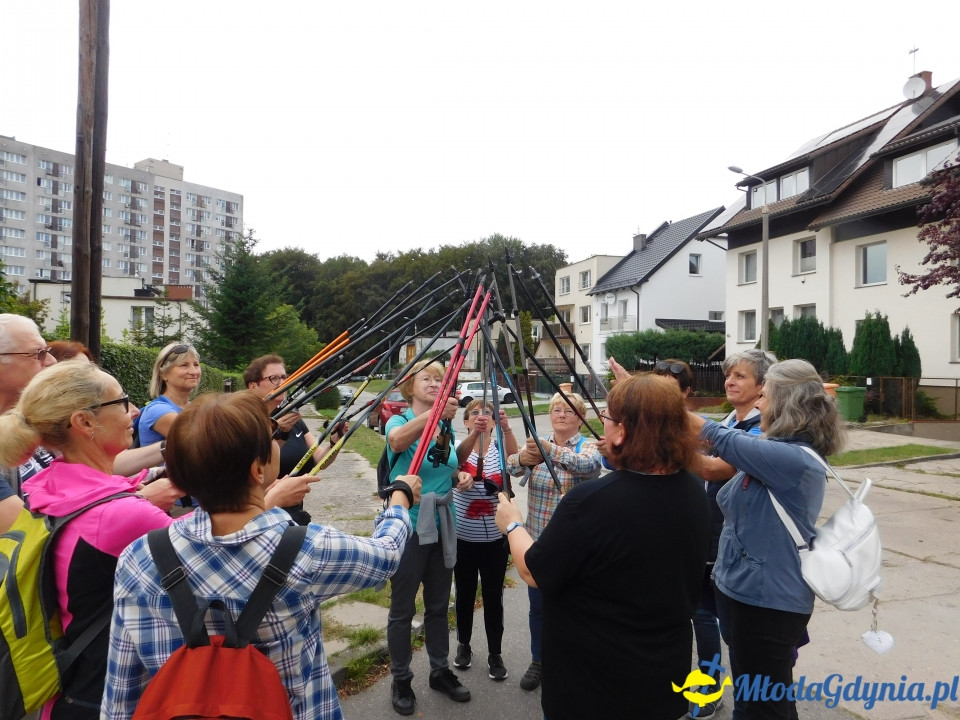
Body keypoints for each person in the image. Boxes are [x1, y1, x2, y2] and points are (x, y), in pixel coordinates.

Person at [100, 390, 419, 720]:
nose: (278, 440)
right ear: (257, 470)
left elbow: (121, 690)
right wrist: (400, 499)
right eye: (272, 438)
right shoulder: (308, 550)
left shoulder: (139, 557)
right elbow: (386, 555)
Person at [496, 374, 710, 720]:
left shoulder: (592, 501)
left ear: (623, 431)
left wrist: (512, 523)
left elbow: (533, 570)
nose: (603, 427)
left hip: (595, 686)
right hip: (662, 676)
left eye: (607, 419)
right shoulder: (691, 490)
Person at [0, 359, 174, 720]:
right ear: (84, 421)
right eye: (122, 401)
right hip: (111, 700)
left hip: (69, 692)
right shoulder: (123, 515)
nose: (135, 410)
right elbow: (221, 557)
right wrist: (267, 499)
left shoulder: (48, 486)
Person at [688, 359, 845, 720]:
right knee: (758, 701)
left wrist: (657, 401)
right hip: (748, 597)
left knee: (761, 708)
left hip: (766, 604)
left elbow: (719, 438)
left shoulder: (788, 458)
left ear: (786, 403)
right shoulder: (776, 451)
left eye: (766, 396)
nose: (758, 404)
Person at [687, 349, 775, 719]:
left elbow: (712, 469)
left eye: (740, 376)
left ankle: (748, 703)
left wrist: (672, 442)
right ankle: (710, 686)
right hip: (709, 537)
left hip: (740, 549)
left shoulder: (762, 431)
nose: (730, 381)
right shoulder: (729, 419)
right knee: (702, 615)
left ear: (762, 387)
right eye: (729, 375)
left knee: (739, 634)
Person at [385, 359, 474, 715]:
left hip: (442, 523)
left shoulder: (444, 429)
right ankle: (401, 678)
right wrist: (435, 414)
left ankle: (440, 670)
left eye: (440, 379)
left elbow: (441, 468)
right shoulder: (401, 420)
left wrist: (460, 478)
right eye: (428, 378)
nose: (436, 383)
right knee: (402, 609)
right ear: (410, 385)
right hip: (406, 525)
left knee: (438, 605)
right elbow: (396, 442)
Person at [505, 390, 602, 692]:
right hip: (539, 540)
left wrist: (550, 450)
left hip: (575, 546)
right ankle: (539, 660)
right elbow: (511, 467)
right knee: (538, 607)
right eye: (557, 409)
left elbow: (587, 466)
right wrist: (523, 457)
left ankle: (572, 661)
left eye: (569, 411)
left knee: (573, 608)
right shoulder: (538, 442)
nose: (561, 414)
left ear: (580, 418)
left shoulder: (589, 447)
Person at [451, 399, 518, 681]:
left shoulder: (500, 447)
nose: (481, 417)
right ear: (465, 421)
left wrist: (507, 430)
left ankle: (495, 653)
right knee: (464, 595)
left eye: (486, 413)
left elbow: (515, 463)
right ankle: (464, 645)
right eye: (474, 414)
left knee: (493, 597)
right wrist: (474, 438)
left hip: (494, 540)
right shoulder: (458, 445)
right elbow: (451, 469)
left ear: (494, 421)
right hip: (462, 537)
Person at [244, 353, 346, 524]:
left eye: (284, 377)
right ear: (253, 386)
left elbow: (320, 459)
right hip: (258, 516)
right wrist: (279, 432)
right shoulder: (245, 421)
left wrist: (335, 442)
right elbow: (250, 468)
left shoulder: (292, 419)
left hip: (293, 515)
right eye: (273, 378)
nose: (282, 383)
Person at [0, 313, 58, 532]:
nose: (51, 362)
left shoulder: (31, 422)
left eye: (47, 351)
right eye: (38, 354)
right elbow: (25, 534)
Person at [137, 342, 201, 447]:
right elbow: (202, 442)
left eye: (196, 364)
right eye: (184, 365)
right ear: (164, 374)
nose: (194, 371)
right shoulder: (158, 410)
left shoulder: (193, 407)